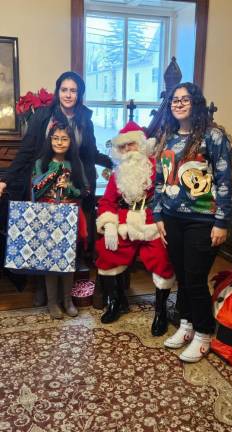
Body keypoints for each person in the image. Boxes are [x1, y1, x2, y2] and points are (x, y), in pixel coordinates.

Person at [152, 82, 232, 362]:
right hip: (172, 219)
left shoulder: (213, 137)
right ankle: (186, 325)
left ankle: (203, 333)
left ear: (196, 103)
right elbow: (161, 181)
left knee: (195, 279)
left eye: (185, 99)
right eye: (175, 99)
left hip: (203, 220)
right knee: (183, 277)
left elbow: (224, 182)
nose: (178, 103)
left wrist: (222, 222)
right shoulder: (169, 137)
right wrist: (158, 215)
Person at [0, 70, 113, 258]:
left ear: (80, 94)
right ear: (58, 91)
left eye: (73, 91)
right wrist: (5, 180)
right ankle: (44, 284)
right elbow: (26, 152)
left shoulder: (85, 120)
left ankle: (68, 281)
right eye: (64, 89)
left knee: (71, 238)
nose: (68, 95)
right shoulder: (43, 116)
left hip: (74, 184)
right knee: (44, 234)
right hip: (45, 185)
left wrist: (112, 162)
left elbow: (90, 153)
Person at [95, 121, 175, 334]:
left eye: (132, 144)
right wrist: (110, 224)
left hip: (152, 222)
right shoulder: (117, 172)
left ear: (142, 145)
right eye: (123, 147)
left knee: (162, 257)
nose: (128, 150)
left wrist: (162, 223)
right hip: (124, 223)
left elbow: (167, 197)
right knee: (106, 249)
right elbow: (106, 201)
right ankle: (116, 301)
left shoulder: (156, 167)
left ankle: (161, 311)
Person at [32, 122, 87, 319]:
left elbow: (85, 190)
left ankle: (67, 300)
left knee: (68, 259)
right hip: (47, 216)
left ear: (71, 142)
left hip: (70, 216)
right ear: (50, 140)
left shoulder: (76, 164)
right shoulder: (41, 163)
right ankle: (52, 302)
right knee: (51, 261)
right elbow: (34, 190)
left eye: (64, 138)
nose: (60, 142)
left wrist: (70, 186)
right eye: (56, 138)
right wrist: (52, 175)